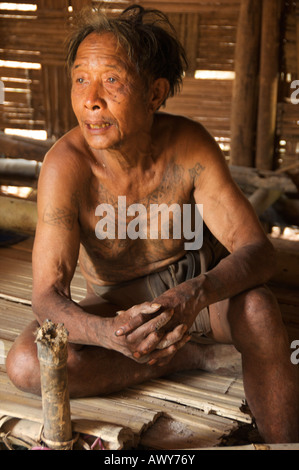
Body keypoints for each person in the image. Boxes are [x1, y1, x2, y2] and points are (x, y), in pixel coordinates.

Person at [6, 5, 298, 443]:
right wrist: (105, 333)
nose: (91, 99)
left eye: (112, 80)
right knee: (27, 363)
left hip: (202, 292)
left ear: (155, 93)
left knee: (258, 311)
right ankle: (186, 359)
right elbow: (48, 295)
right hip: (119, 303)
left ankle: (283, 443)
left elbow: (258, 251)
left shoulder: (189, 145)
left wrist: (193, 295)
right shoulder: (65, 166)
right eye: (81, 78)